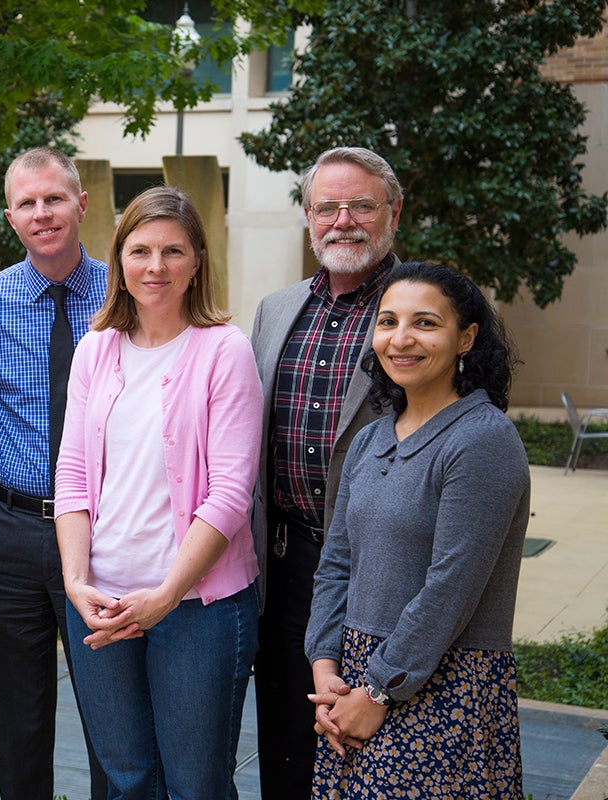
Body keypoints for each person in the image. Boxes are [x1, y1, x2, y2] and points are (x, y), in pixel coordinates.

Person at [54, 186, 262, 799]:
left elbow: (229, 493)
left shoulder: (225, 350)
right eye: (140, 250)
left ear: (198, 259)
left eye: (173, 251)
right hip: (100, 601)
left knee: (196, 786)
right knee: (126, 781)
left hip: (198, 608)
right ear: (119, 259)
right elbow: (71, 477)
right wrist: (75, 583)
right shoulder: (96, 350)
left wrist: (167, 595)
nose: (156, 266)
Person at [305, 261, 528, 798]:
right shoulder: (370, 439)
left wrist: (379, 691)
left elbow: (450, 587)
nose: (400, 339)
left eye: (425, 323)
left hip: (440, 684)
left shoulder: (482, 441)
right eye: (388, 322)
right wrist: (324, 665)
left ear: (466, 338)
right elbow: (337, 564)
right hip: (353, 680)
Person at [0, 146, 107, 800]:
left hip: (107, 537)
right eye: (27, 203)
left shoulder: (125, 292)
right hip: (7, 535)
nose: (42, 213)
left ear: (81, 204)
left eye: (54, 198)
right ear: (9, 216)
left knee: (114, 724)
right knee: (17, 729)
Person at [250, 146, 403, 800]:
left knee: (372, 754)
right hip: (283, 569)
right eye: (327, 207)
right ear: (308, 217)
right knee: (285, 747)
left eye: (361, 206)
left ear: (393, 212)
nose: (344, 221)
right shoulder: (275, 310)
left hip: (382, 574)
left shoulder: (423, 309)